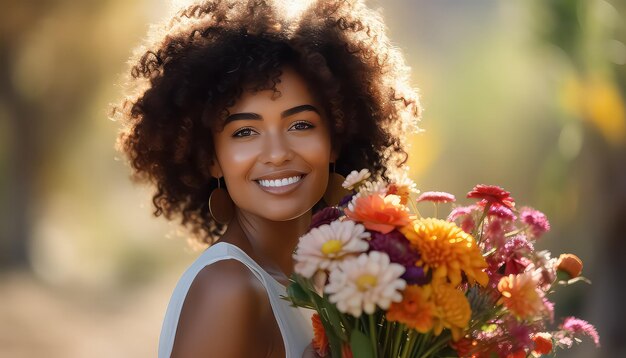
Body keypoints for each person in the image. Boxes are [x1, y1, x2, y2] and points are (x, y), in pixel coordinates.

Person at [113, 0, 420, 356]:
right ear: (213, 159)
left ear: (335, 141)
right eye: (245, 132)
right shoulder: (228, 287)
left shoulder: (324, 289)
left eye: (301, 124)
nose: (277, 153)